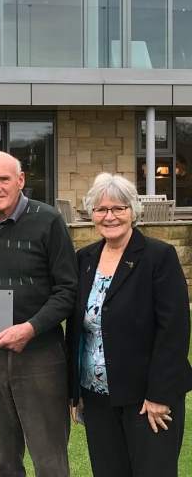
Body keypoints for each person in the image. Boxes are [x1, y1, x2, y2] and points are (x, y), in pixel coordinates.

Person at [0, 151, 77, 476]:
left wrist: (30, 328)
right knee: (3, 461)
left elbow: (68, 290)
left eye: (4, 179)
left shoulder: (48, 220)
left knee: (50, 461)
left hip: (40, 354)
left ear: (21, 180)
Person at [66, 173, 192, 477]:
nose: (109, 216)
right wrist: (74, 391)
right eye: (101, 209)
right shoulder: (84, 259)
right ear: (91, 214)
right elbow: (76, 328)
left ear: (133, 211)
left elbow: (174, 330)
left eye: (118, 208)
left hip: (147, 398)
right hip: (96, 396)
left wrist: (160, 394)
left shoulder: (158, 256)